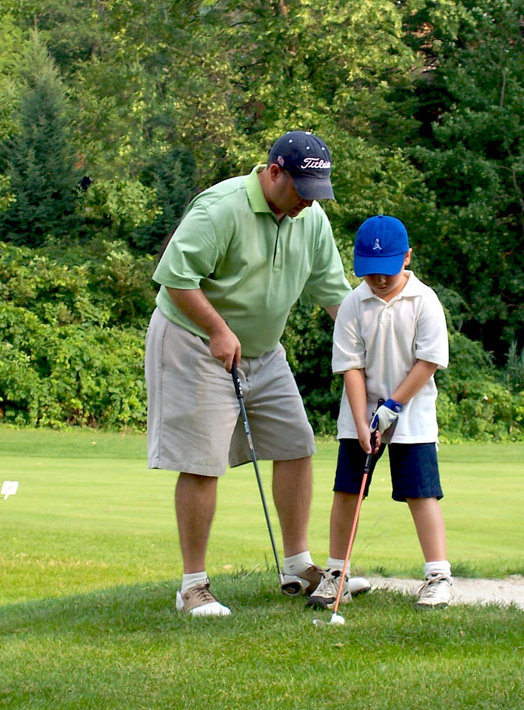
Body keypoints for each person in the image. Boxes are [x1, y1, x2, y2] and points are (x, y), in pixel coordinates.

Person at [146, 130, 357, 616]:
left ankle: (298, 564)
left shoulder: (311, 219)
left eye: (316, 193)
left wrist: (367, 347)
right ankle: (192, 587)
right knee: (202, 461)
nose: (308, 202)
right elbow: (175, 278)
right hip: (194, 341)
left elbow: (333, 294)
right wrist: (218, 329)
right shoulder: (220, 208)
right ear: (274, 172)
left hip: (263, 350)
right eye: (302, 191)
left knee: (297, 443)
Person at [307, 215, 454, 611]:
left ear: (406, 258)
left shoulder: (425, 301)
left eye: (387, 270)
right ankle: (336, 574)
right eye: (370, 273)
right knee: (347, 491)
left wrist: (393, 406)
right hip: (359, 411)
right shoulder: (355, 302)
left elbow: (428, 362)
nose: (380, 280)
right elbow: (351, 366)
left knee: (421, 492)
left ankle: (438, 577)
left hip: (413, 411)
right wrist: (361, 420)